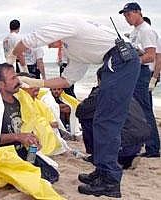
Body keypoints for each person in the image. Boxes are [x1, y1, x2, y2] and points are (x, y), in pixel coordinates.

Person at [10, 15, 140, 198]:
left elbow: (31, 40)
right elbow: (66, 80)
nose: (47, 46)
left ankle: (110, 181)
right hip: (116, 61)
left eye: (48, 42)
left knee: (107, 122)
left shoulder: (68, 23)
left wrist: (12, 57)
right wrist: (35, 82)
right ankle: (103, 171)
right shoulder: (73, 50)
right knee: (99, 120)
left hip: (121, 59)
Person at [0, 63, 64, 200]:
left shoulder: (21, 99)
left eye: (16, 76)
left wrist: (32, 139)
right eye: (12, 78)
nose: (18, 81)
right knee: (31, 181)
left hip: (21, 150)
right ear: (1, 84)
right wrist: (18, 137)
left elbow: (27, 127)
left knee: (51, 175)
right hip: (1, 154)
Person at [76, 67, 150, 169]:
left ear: (100, 80)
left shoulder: (103, 91)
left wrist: (93, 93)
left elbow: (81, 111)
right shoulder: (126, 91)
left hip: (123, 142)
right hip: (138, 141)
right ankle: (128, 158)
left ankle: (96, 156)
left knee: (87, 119)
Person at [120, 3, 160, 158]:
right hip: (136, 71)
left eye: (128, 14)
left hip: (142, 72)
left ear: (138, 12)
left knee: (144, 110)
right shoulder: (135, 31)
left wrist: (132, 62)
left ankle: (153, 147)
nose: (126, 18)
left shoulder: (146, 30)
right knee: (137, 110)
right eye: (124, 16)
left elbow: (151, 56)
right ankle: (146, 144)